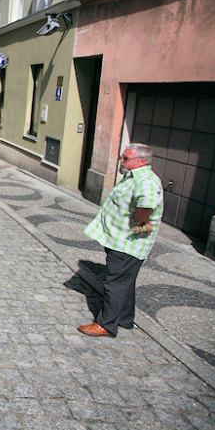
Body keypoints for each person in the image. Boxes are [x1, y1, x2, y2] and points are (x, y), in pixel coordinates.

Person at [79, 143, 163, 338]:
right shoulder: (133, 176)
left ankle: (106, 325)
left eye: (126, 158)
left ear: (142, 161)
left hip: (128, 242)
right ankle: (124, 318)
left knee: (114, 283)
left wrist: (139, 220)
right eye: (122, 157)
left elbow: (148, 205)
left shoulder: (146, 181)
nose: (121, 161)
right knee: (125, 281)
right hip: (120, 239)